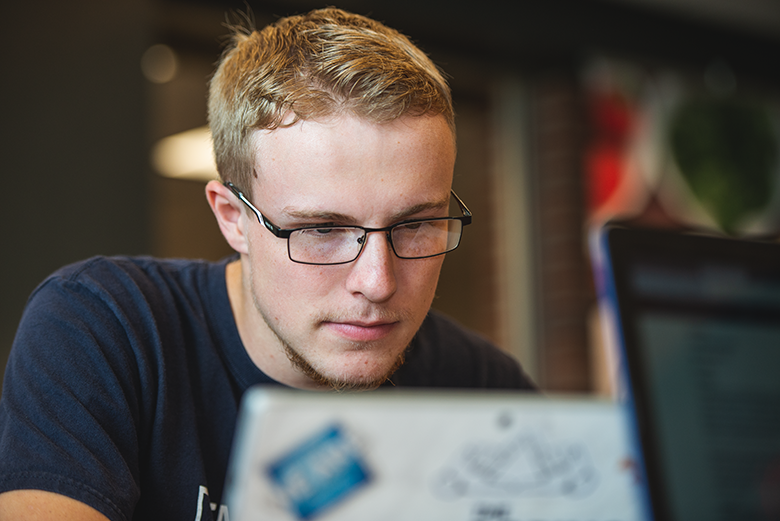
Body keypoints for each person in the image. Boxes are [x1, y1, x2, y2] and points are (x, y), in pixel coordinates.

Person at [0, 7, 535, 520]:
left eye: (415, 225)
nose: (377, 283)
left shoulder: (481, 389)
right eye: (322, 230)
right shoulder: (107, 330)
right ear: (233, 218)